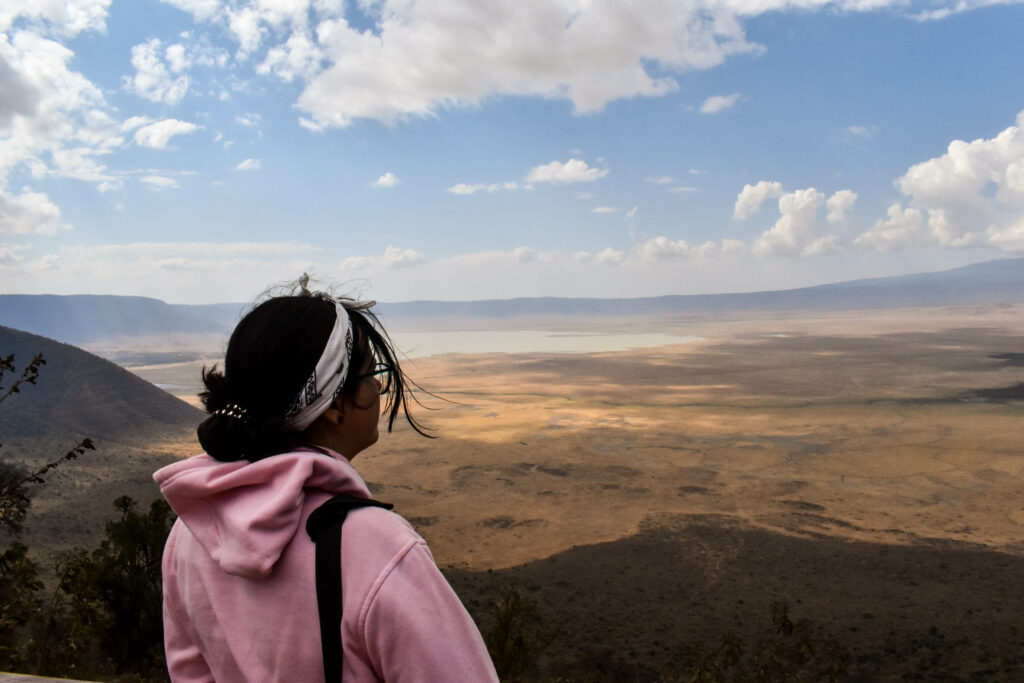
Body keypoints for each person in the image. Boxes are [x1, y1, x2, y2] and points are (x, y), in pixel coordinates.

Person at [154, 283, 498, 682]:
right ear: (334, 404)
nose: (379, 387)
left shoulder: (191, 532)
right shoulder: (375, 546)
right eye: (372, 375)